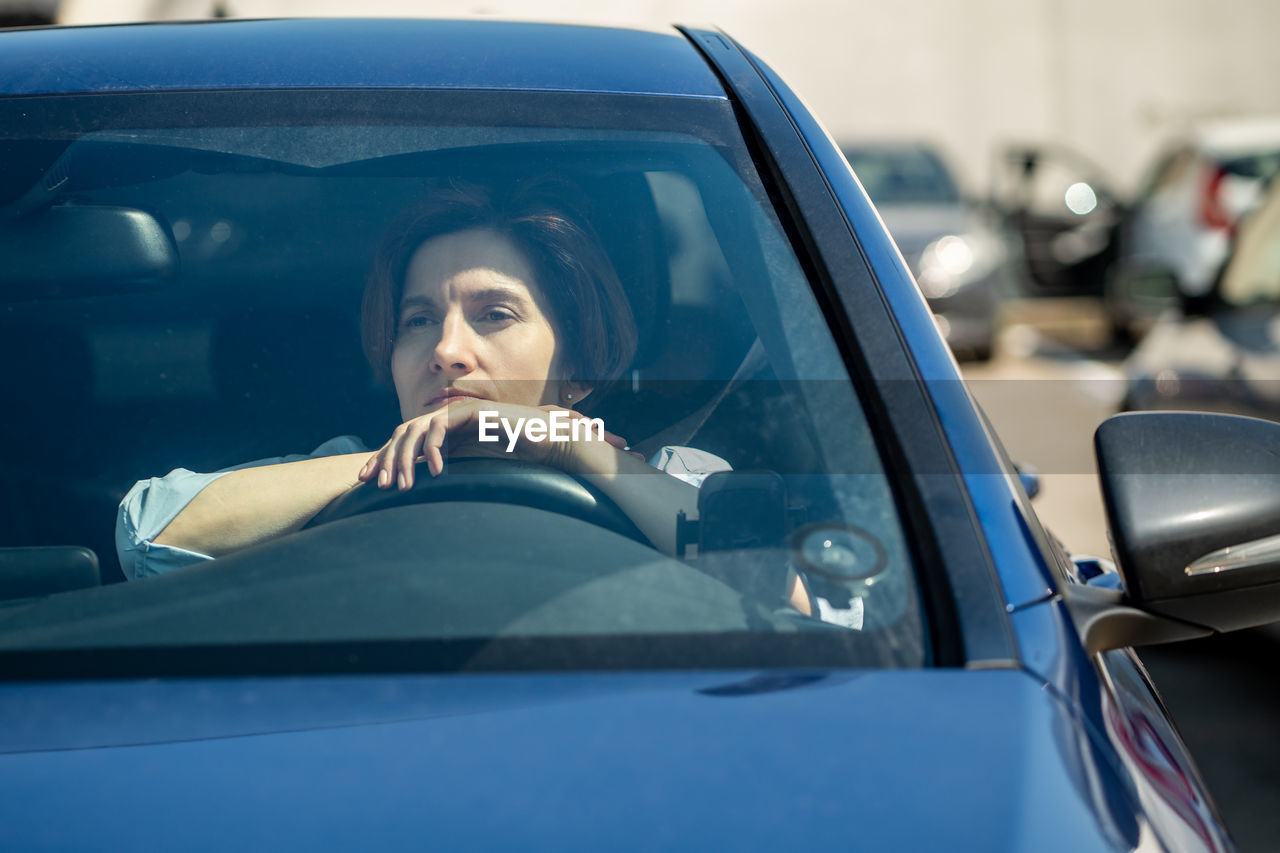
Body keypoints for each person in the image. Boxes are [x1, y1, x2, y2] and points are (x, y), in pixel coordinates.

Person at [115, 180, 738, 582]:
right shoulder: (335, 474)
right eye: (418, 321)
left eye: (494, 315)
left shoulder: (673, 477)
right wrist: (395, 463)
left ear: (577, 364)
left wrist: (566, 448)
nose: (445, 350)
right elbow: (150, 536)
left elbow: (780, 599)